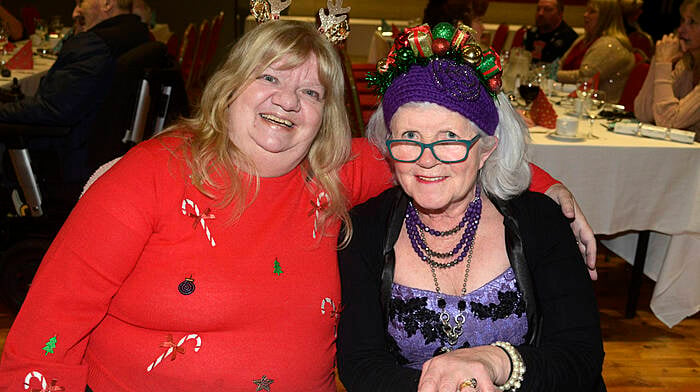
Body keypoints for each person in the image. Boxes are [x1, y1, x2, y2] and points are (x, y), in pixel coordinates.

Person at [0, 18, 595, 391]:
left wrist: (550, 189)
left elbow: (441, 153)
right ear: (230, 85)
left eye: (310, 90)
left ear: (325, 116)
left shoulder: (334, 172)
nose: (287, 101)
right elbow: (43, 335)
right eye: (270, 79)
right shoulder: (145, 180)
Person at [337, 23, 605, 391]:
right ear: (388, 147)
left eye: (449, 139)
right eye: (409, 138)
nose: (426, 160)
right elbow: (360, 365)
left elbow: (580, 353)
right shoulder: (363, 231)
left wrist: (498, 362)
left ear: (486, 149)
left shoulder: (540, 221)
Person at [0, 0, 149, 198]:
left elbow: (52, 109)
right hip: (109, 148)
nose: (74, 12)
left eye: (81, 3)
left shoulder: (93, 44)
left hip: (67, 156)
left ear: (106, 3)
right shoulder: (136, 33)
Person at [634, 0, 700, 141]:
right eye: (682, 20)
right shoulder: (686, 66)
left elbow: (669, 122)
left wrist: (663, 64)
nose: (681, 29)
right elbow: (643, 113)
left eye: (692, 22)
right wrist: (658, 61)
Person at [556, 0, 635, 103]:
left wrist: (554, 75)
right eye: (586, 11)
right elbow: (561, 63)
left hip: (601, 108)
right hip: (573, 100)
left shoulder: (610, 44)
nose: (585, 15)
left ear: (606, 16)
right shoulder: (583, 40)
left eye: (592, 12)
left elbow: (585, 77)